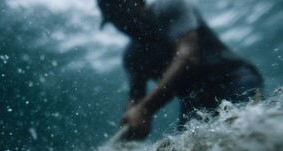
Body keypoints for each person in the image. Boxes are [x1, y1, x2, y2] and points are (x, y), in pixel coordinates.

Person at [97, 0, 264, 140]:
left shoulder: (171, 7)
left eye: (122, 13)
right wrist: (129, 126)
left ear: (139, 2)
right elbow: (135, 97)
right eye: (113, 19)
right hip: (194, 98)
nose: (121, 25)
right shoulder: (132, 56)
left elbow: (188, 57)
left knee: (245, 133)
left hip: (233, 78)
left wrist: (145, 109)